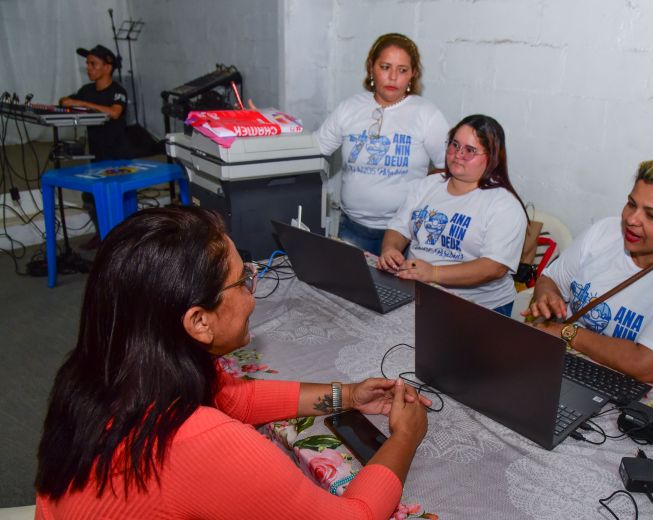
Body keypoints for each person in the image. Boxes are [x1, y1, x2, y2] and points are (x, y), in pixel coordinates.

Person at [34, 207, 430, 519]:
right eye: (242, 281)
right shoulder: (200, 442)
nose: (253, 295)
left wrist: (346, 395)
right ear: (199, 322)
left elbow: (235, 400)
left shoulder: (100, 372)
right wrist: (404, 437)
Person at [523, 159, 653, 389]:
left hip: (630, 392)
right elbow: (550, 280)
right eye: (632, 204)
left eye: (651, 215)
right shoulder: (605, 231)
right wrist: (547, 297)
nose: (632, 219)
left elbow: (647, 365)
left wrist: (566, 332)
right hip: (562, 365)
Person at [377, 114, 528, 316]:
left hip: (479, 307)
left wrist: (434, 273)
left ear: (491, 157)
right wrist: (390, 249)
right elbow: (398, 228)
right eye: (455, 145)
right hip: (419, 291)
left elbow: (494, 267)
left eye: (470, 150)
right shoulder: (428, 184)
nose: (458, 154)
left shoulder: (504, 204)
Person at [314, 33, 449, 255]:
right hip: (353, 229)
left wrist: (423, 195)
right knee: (351, 289)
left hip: (406, 234)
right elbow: (316, 150)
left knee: (398, 291)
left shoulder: (426, 114)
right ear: (371, 68)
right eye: (385, 67)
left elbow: (450, 164)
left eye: (403, 70)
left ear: (413, 75)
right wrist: (277, 127)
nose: (393, 77)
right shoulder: (350, 108)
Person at [59, 44, 131, 249]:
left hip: (118, 155)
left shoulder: (118, 91)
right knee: (90, 196)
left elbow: (114, 112)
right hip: (97, 154)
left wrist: (85, 104)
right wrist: (71, 102)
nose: (89, 68)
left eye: (93, 64)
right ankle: (103, 235)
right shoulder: (87, 90)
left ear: (107, 68)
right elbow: (66, 101)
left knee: (116, 196)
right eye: (87, 64)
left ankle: (121, 239)